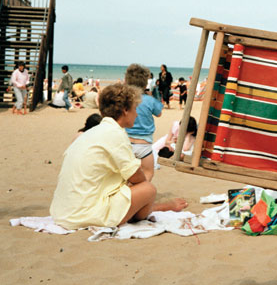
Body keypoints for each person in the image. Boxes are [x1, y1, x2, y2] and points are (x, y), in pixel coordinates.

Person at [50, 83, 187, 230]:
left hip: (62, 212)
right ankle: (159, 208)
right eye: (135, 109)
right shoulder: (115, 134)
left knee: (131, 187)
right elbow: (138, 180)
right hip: (84, 214)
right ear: (125, 110)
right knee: (148, 189)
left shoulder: (92, 132)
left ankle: (149, 208)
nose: (137, 114)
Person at [124, 64, 163, 181]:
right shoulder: (149, 100)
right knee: (148, 172)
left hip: (125, 142)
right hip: (144, 144)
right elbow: (159, 113)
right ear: (146, 83)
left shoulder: (124, 99)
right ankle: (140, 192)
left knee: (125, 175)